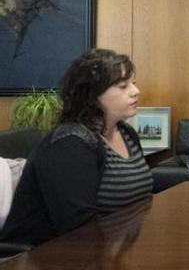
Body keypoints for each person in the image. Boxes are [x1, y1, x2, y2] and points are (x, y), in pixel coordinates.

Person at [0, 49, 154, 247]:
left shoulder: (126, 133)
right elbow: (78, 230)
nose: (135, 91)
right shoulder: (70, 143)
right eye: (123, 86)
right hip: (44, 262)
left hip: (108, 253)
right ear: (92, 95)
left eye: (133, 83)